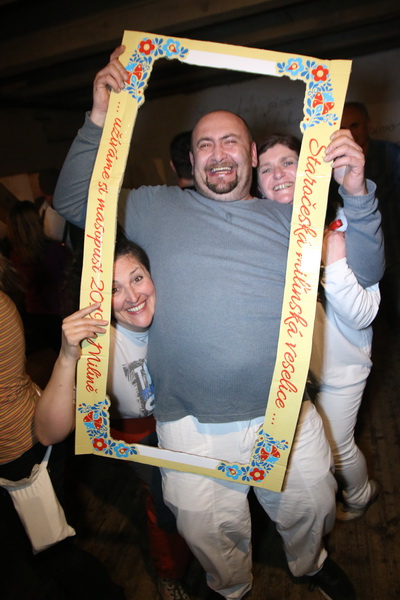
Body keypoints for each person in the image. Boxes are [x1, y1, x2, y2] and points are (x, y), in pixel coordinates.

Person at [53, 45, 384, 600]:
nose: (218, 152)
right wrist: (99, 118)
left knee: (311, 506)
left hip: (283, 411)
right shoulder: (154, 207)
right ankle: (230, 588)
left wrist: (356, 193)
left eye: (230, 141)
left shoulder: (292, 217)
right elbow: (72, 202)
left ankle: (310, 565)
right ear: (193, 159)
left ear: (251, 154)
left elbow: (368, 271)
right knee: (208, 532)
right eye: (205, 144)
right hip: (190, 424)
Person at [35, 235, 192, 600]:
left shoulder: (179, 308)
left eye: (137, 278)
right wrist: (66, 357)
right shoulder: (97, 346)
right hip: (137, 431)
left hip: (187, 418)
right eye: (113, 289)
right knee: (164, 501)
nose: (132, 296)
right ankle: (169, 572)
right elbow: (47, 433)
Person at [257, 133, 381, 521]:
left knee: (338, 447)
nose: (278, 174)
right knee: (313, 452)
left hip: (341, 369)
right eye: (266, 169)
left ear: (309, 169)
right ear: (257, 185)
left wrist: (334, 261)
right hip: (291, 378)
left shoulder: (345, 222)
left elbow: (362, 315)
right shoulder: (262, 235)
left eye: (287, 162)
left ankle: (361, 494)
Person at [0, 253, 124, 600]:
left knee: (51, 552)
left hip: (21, 452)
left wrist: (68, 357)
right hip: (27, 441)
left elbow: (50, 431)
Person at [341, 101, 400, 325]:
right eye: (343, 128)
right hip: (358, 260)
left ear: (368, 124)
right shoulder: (332, 164)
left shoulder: (390, 154)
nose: (349, 133)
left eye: (354, 125)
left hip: (395, 252)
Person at [6, 200, 71, 353]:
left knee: (60, 352)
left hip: (36, 314)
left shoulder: (14, 257)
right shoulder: (55, 249)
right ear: (36, 222)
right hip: (62, 312)